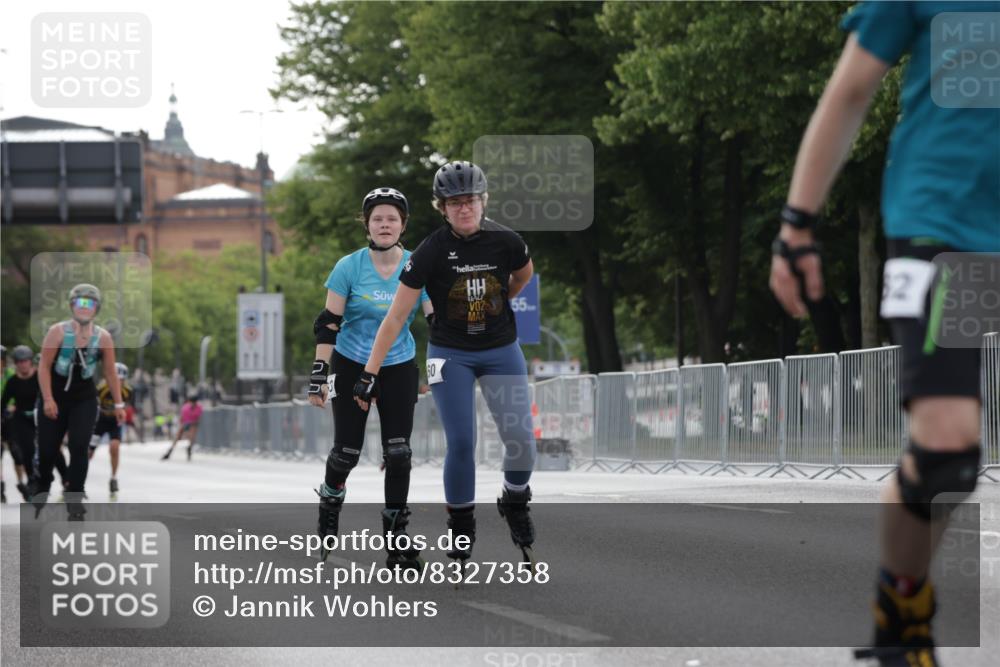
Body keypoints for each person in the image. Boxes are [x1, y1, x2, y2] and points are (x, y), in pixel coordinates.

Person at [768, 4, 998, 665]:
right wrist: (796, 224)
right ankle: (903, 606)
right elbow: (850, 90)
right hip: (944, 226)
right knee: (948, 451)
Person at [356, 161, 537, 566]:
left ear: (483, 201)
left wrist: (501, 299)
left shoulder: (506, 241)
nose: (464, 209)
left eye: (470, 201)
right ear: (442, 207)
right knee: (461, 442)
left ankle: (515, 498)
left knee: (522, 442)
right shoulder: (430, 252)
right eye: (454, 203)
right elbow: (396, 317)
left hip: (501, 350)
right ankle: (461, 524)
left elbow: (523, 277)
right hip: (450, 354)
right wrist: (369, 372)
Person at [308, 186, 433, 569]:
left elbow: (434, 321)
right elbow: (329, 324)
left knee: (399, 454)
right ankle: (330, 502)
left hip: (398, 364)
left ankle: (396, 541)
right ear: (366, 225)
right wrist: (319, 375)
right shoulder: (349, 267)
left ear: (402, 225)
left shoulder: (416, 264)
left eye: (391, 218)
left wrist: (439, 368)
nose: (384, 224)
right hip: (350, 362)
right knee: (346, 452)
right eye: (377, 218)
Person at [32, 284, 126, 519]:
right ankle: (43, 483)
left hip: (83, 399)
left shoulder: (103, 337)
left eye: (90, 304)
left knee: (79, 447)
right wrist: (47, 399)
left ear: (96, 309)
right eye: (80, 303)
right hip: (54, 397)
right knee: (47, 451)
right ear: (72, 305)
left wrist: (118, 405)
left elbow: (110, 374)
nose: (84, 308)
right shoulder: (57, 332)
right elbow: (43, 366)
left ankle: (75, 497)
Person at [90, 362, 133, 498]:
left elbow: (127, 407)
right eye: (115, 378)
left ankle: (113, 478)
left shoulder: (128, 391)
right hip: (100, 421)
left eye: (121, 380)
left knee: (114, 447)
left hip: (115, 422)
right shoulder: (101, 388)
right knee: (88, 453)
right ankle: (76, 480)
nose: (118, 382)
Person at [162, 393, 201, 461]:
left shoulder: (198, 408)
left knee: (191, 437)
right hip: (185, 423)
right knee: (177, 437)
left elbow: (198, 418)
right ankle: (170, 451)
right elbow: (182, 417)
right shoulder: (185, 407)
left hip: (193, 424)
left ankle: (189, 448)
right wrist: (182, 425)